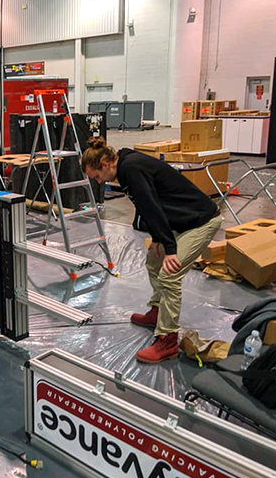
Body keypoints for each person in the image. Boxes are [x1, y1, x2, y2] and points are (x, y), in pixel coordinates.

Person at [82, 137, 222, 364]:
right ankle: (157, 312)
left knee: (170, 272)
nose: (98, 182)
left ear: (106, 164)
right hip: (183, 221)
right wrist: (158, 237)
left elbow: (151, 206)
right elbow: (151, 203)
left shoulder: (131, 168)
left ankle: (167, 341)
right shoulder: (126, 166)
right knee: (154, 260)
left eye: (97, 176)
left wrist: (170, 247)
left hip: (202, 221)